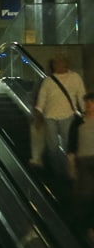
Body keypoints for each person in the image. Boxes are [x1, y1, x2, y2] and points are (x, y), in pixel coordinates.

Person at [34, 55, 85, 186]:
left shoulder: (75, 77)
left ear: (66, 64)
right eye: (54, 64)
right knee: (52, 146)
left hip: (68, 115)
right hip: (49, 116)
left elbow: (81, 95)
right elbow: (42, 99)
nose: (56, 66)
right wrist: (39, 113)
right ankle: (58, 171)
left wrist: (85, 112)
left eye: (58, 63)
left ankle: (70, 171)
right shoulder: (48, 81)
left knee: (69, 145)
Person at [71, 92, 94, 243]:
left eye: (91, 102)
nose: (88, 106)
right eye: (86, 103)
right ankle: (86, 227)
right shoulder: (78, 122)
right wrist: (71, 166)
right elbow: (71, 145)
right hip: (83, 160)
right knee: (86, 195)